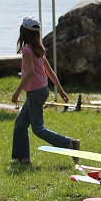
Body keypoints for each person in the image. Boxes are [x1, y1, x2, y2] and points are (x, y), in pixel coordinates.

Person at [11, 17, 79, 165]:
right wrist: (60, 90)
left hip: (36, 92)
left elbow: (30, 72)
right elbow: (49, 71)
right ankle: (22, 158)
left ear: (24, 32)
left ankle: (69, 144)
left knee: (38, 128)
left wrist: (16, 92)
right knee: (20, 125)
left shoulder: (27, 50)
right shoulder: (38, 49)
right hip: (41, 90)